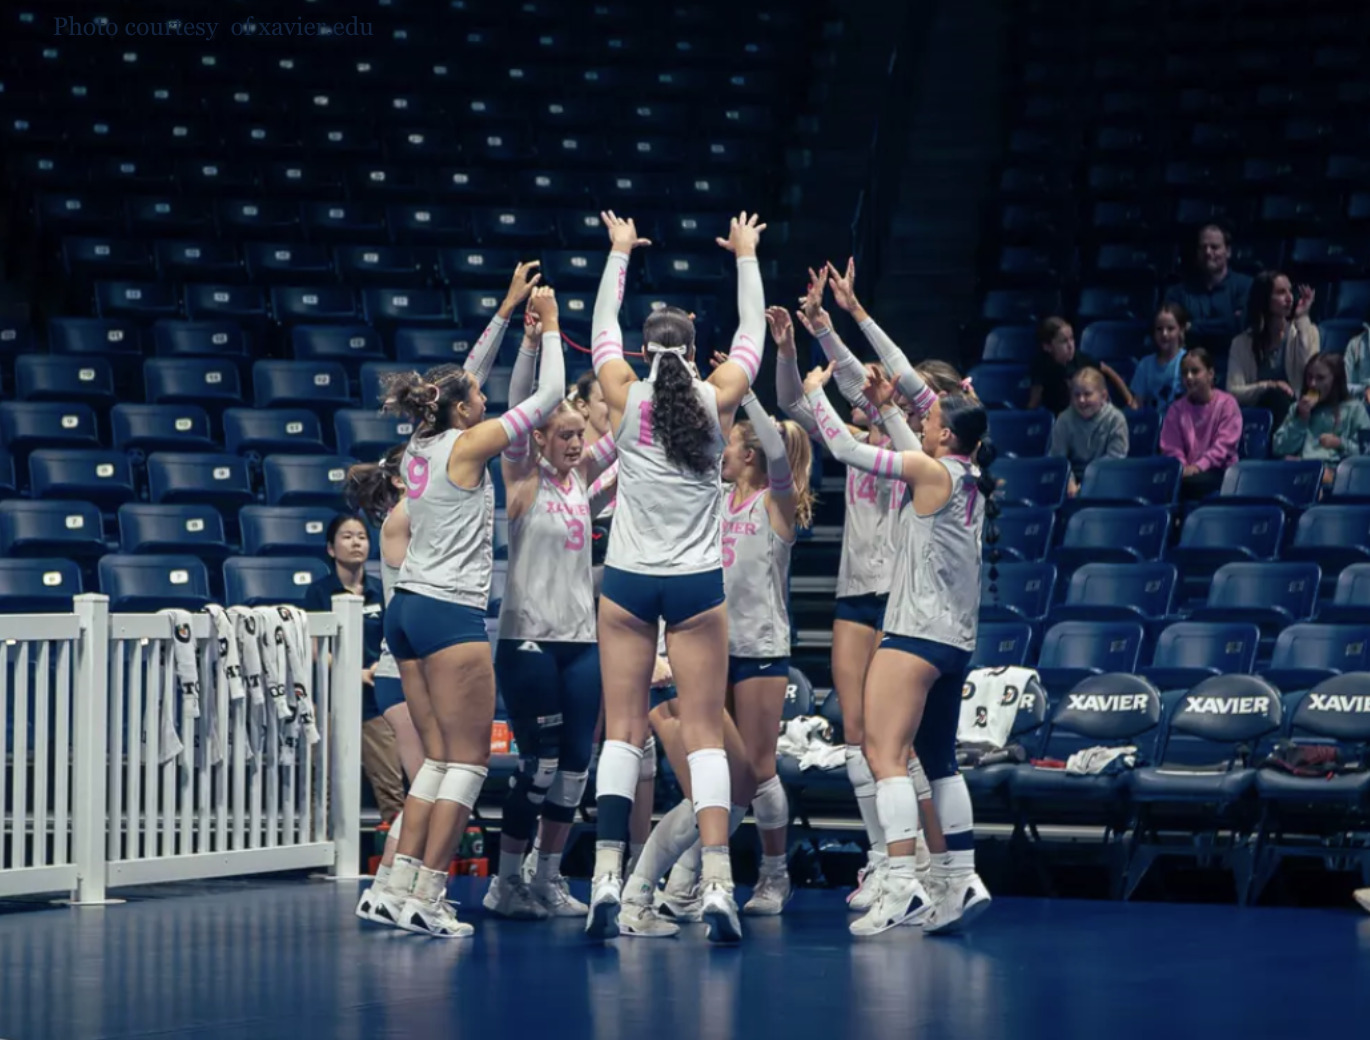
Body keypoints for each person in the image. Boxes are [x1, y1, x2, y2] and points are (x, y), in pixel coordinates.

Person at [585, 209, 766, 944]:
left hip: (627, 581)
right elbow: (752, 332)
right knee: (705, 739)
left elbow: (599, 319)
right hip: (696, 586)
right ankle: (718, 884)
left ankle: (603, 875)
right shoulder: (717, 397)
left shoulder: (625, 393)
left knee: (623, 733)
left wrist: (619, 252)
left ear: (643, 347)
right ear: (693, 350)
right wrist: (746, 256)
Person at [375, 284, 566, 939]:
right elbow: (547, 402)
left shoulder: (420, 444)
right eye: (477, 401)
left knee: (433, 761)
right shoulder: (467, 444)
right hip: (447, 614)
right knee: (467, 763)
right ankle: (427, 894)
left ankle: (396, 885)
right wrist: (552, 326)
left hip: (404, 613)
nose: (485, 400)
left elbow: (463, 379)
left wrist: (509, 312)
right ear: (462, 412)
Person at [803, 359, 995, 937]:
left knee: (884, 756)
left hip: (912, 635)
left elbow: (844, 449)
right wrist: (887, 405)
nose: (924, 418)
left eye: (931, 416)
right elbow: (909, 443)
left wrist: (816, 394)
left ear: (946, 435)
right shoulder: (965, 476)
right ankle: (960, 877)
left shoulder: (930, 473)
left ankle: (903, 882)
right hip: (955, 642)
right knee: (938, 762)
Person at [617, 372, 815, 932]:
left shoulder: (776, 504)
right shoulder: (715, 499)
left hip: (760, 649)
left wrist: (746, 389)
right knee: (714, 783)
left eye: (730, 445)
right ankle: (678, 884)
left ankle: (771, 873)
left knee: (752, 773)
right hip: (708, 648)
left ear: (750, 454)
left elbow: (779, 451)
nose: (720, 452)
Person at [485, 309, 615, 920]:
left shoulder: (583, 480)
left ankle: (547, 879)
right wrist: (537, 343)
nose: (573, 442)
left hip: (579, 644)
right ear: (539, 437)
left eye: (578, 434)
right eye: (562, 433)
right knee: (536, 768)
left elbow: (631, 436)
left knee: (573, 773)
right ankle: (503, 882)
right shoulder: (521, 474)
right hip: (527, 642)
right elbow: (527, 403)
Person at [344, 447, 426, 926]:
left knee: (428, 787)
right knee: (428, 787)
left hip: (409, 669)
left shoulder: (414, 513)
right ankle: (387, 887)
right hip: (403, 670)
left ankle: (392, 886)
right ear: (400, 479)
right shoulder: (406, 517)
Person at [302, 514, 400, 823]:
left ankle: (397, 861)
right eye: (347, 536)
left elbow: (393, 640)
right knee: (325, 788)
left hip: (373, 705)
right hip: (330, 703)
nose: (356, 541)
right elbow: (317, 650)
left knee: (392, 789)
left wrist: (379, 667)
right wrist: (352, 673)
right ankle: (320, 858)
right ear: (331, 548)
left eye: (361, 536)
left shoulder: (381, 591)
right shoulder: (318, 593)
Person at [1227, 271, 1319, 428]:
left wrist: (1302, 318)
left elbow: (1311, 376)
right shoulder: (1241, 343)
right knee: (1274, 395)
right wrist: (1269, 386)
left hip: (1298, 416)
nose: (1289, 297)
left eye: (1290, 291)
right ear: (1264, 298)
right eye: (1281, 292)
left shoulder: (1308, 331)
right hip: (1257, 420)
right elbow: (1233, 392)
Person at [1160, 347, 1243, 501]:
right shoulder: (1175, 410)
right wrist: (1183, 468)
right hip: (1187, 475)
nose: (1189, 377)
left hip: (1220, 472)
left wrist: (1198, 467)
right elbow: (1171, 447)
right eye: (1185, 373)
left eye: (1195, 371)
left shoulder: (1227, 404)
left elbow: (1224, 447)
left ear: (1210, 374)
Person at [1272, 353, 1370, 480]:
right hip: (1300, 472)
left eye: (1320, 378)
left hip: (1339, 474)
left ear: (1335, 380)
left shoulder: (1354, 409)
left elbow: (1366, 452)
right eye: (1309, 377)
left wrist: (1340, 443)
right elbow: (1279, 448)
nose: (1312, 384)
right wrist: (1301, 421)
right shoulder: (1297, 408)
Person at [1163, 224, 1254, 348]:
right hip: (1189, 362)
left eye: (1214, 247)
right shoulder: (1178, 292)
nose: (1208, 252)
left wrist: (1192, 326)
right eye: (1203, 247)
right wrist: (1226, 322)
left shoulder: (1247, 286)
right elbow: (1170, 328)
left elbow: (1240, 327)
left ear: (1228, 252)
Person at [1049, 367, 1130, 495]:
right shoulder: (1064, 419)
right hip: (1072, 484)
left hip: (1106, 479)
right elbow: (1059, 457)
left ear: (1103, 396)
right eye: (1077, 395)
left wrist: (1087, 484)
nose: (1081, 400)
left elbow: (1116, 457)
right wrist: (1069, 483)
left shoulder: (1116, 419)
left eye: (1087, 394)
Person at [1027, 316, 1130, 415]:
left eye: (1071, 339)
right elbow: (1035, 400)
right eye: (1064, 341)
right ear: (1047, 347)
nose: (1070, 345)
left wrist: (1130, 400)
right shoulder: (1042, 367)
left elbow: (1108, 371)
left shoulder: (1080, 358)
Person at [1128, 302, 1190, 417]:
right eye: (1159, 329)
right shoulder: (1145, 365)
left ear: (1181, 330)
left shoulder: (1189, 362)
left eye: (1170, 329)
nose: (1164, 334)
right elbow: (1138, 404)